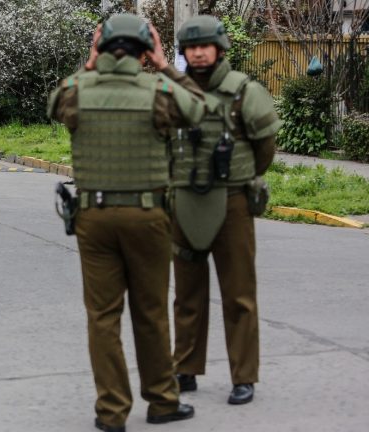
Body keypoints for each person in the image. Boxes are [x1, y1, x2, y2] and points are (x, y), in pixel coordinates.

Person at [47, 14, 206, 432]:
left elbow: (53, 103)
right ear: (143, 49)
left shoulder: (77, 90)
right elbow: (200, 109)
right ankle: (162, 402)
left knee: (103, 317)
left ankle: (112, 412)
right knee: (151, 313)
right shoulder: (159, 89)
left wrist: (88, 62)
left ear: (100, 48)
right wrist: (166, 62)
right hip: (148, 216)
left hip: (93, 217)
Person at [164, 15, 282, 405]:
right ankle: (186, 369)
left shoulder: (243, 92)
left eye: (205, 46)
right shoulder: (173, 95)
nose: (198, 53)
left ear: (219, 49)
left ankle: (243, 376)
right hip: (184, 202)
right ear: (184, 52)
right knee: (187, 294)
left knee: (239, 293)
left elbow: (265, 146)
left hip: (233, 202)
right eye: (191, 47)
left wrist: (241, 177)